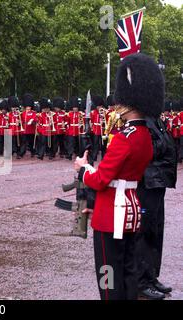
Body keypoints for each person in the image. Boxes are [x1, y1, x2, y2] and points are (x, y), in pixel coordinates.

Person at [74, 53, 164, 300]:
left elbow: (101, 179)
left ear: (129, 101)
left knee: (108, 276)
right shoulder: (144, 137)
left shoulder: (124, 138)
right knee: (128, 272)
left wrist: (83, 168)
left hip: (110, 215)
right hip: (132, 210)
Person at [136, 105, 178, 299]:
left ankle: (151, 276)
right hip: (148, 182)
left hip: (158, 182)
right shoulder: (144, 122)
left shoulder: (156, 120)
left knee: (156, 231)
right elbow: (150, 150)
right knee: (144, 232)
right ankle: (141, 281)